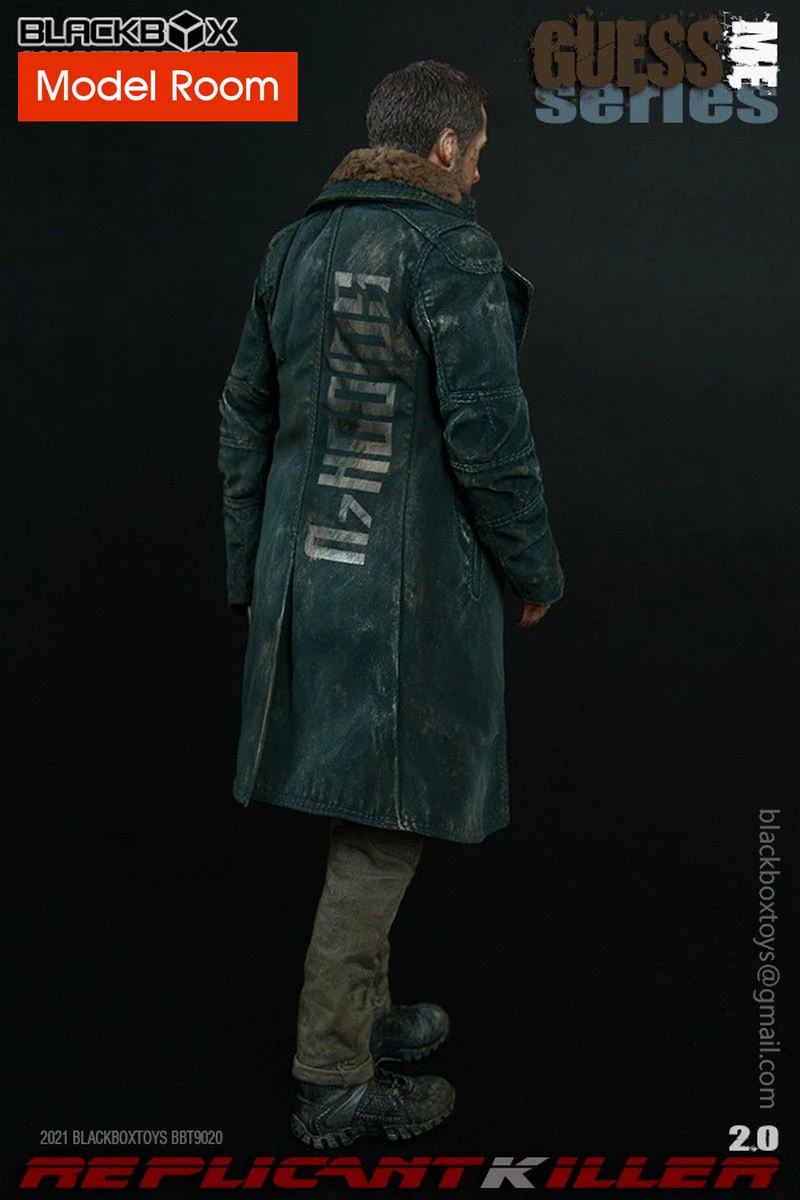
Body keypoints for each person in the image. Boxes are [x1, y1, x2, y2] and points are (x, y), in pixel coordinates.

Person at [217, 59, 564, 1149]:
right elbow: (487, 433)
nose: (479, 173)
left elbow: (243, 413)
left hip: (304, 583)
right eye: (479, 153)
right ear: (447, 147)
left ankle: (362, 1010)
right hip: (399, 600)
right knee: (382, 827)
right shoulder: (450, 249)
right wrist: (531, 568)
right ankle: (332, 1076)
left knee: (365, 798)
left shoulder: (293, 246)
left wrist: (249, 572)